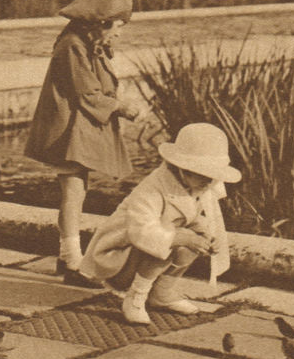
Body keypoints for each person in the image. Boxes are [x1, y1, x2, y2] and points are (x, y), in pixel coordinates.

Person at [24, 0, 139, 282]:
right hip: (68, 130)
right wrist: (120, 107)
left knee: (76, 190)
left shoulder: (85, 42)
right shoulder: (73, 45)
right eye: (117, 26)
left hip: (77, 129)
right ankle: (72, 262)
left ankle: (68, 256)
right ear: (101, 22)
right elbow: (87, 93)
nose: (119, 33)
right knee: (73, 192)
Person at [78, 123, 241, 324]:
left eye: (213, 177)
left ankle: (161, 293)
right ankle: (135, 297)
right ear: (183, 169)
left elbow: (189, 216)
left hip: (143, 249)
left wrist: (205, 235)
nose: (209, 182)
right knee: (172, 241)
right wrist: (182, 237)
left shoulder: (194, 185)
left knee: (191, 241)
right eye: (204, 175)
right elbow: (142, 231)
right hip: (119, 257)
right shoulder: (152, 188)